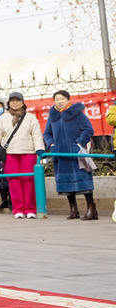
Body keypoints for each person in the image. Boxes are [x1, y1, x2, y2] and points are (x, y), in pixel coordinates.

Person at [0, 92, 44, 218]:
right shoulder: (3, 118)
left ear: (23, 102)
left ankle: (30, 209)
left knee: (28, 180)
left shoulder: (30, 118)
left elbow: (36, 135)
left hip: (28, 152)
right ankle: (18, 209)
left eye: (18, 100)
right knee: (13, 181)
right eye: (12, 100)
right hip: (10, 153)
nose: (15, 103)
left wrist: (39, 149)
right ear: (8, 103)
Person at [44, 90, 97, 220]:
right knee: (66, 184)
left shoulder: (77, 113)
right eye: (57, 99)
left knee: (84, 182)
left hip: (77, 153)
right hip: (61, 154)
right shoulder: (53, 116)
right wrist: (52, 145)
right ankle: (74, 209)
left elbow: (88, 129)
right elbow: (47, 134)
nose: (59, 101)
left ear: (68, 100)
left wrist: (79, 144)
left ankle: (91, 209)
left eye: (62, 99)